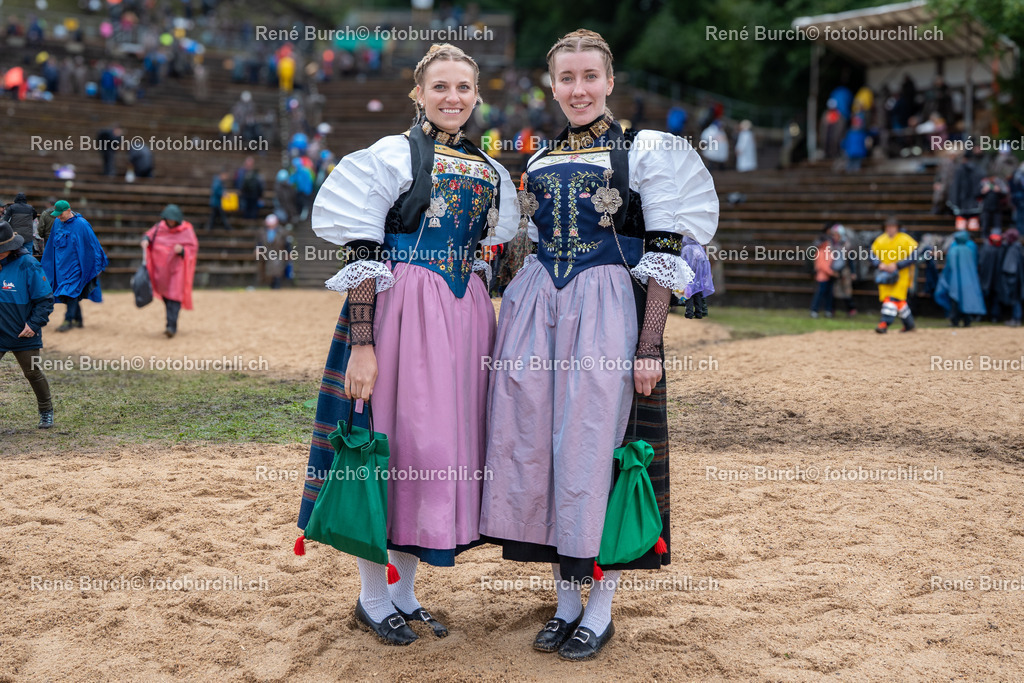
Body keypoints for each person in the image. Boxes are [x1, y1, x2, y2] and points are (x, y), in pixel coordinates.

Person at [480, 29, 718, 661]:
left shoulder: (643, 151)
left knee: (599, 445)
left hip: (609, 310)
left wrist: (649, 345)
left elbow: (665, 246)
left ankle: (602, 604)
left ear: (610, 81)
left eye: (590, 77)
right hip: (538, 307)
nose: (578, 89)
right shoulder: (535, 159)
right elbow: (521, 240)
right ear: (551, 85)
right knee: (539, 441)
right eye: (566, 78)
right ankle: (564, 602)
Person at [296, 43, 518, 646]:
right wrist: (363, 345)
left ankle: (404, 592)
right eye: (440, 87)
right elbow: (364, 254)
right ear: (418, 93)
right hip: (400, 315)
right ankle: (372, 598)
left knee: (438, 446)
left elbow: (495, 250)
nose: (453, 98)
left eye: (464, 88)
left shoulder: (490, 169)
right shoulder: (391, 156)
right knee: (396, 443)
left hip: (466, 317)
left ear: (477, 95)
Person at [0, 219, 54, 428]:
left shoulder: (28, 264)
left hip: (24, 332)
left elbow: (45, 300)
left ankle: (46, 410)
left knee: (32, 372)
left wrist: (33, 325)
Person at [39, 200, 108, 332]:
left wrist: (97, 265)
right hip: (61, 267)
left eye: (61, 214)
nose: (59, 217)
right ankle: (78, 319)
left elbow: (93, 245)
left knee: (69, 293)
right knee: (70, 293)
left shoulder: (82, 224)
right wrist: (48, 263)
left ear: (69, 210)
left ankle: (68, 320)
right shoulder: (57, 223)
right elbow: (51, 246)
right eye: (57, 215)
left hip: (76, 267)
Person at [141, 205, 198, 338]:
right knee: (166, 297)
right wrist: (145, 241)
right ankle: (169, 323)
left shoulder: (186, 230)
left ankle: (171, 326)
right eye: (169, 220)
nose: (171, 222)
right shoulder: (159, 227)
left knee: (175, 296)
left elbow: (193, 248)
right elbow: (148, 235)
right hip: (161, 270)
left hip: (177, 269)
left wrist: (182, 250)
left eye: (173, 220)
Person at [871, 215, 920, 334]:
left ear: (897, 227)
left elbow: (914, 255)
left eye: (893, 227)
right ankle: (909, 324)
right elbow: (872, 254)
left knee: (891, 298)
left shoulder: (905, 239)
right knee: (898, 300)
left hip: (901, 275)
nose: (890, 229)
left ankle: (884, 323)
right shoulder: (881, 239)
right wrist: (879, 264)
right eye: (888, 227)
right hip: (885, 275)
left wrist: (898, 265)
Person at [934, 230, 985, 327]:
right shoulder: (969, 249)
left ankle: (955, 321)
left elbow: (950, 266)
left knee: (955, 299)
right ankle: (967, 321)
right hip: (969, 280)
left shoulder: (954, 250)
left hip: (955, 280)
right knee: (966, 299)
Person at [996, 228, 1023, 327]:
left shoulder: (1014, 248)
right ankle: (1015, 318)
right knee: (1015, 299)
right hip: (1015, 277)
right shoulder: (1015, 246)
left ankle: (1016, 319)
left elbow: (1010, 267)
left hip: (1013, 278)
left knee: (1015, 299)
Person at [810, 225, 836, 318]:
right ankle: (814, 310)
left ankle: (828, 310)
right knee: (820, 294)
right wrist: (831, 272)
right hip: (822, 277)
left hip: (829, 276)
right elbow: (822, 265)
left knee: (829, 295)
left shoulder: (829, 251)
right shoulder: (820, 252)